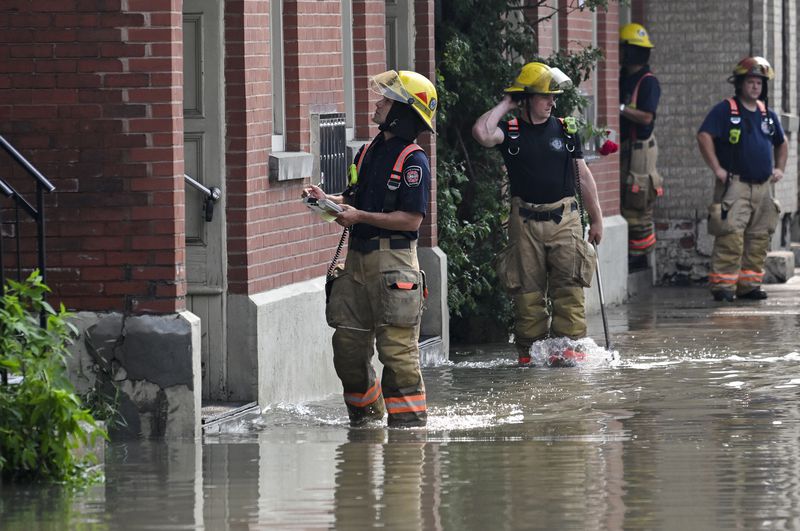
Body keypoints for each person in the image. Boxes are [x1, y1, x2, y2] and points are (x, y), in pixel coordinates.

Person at [302, 70, 436, 427]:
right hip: (356, 264)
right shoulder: (367, 152)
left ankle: (408, 437)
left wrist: (359, 215)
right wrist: (326, 202)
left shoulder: (414, 161)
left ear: (402, 112)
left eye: (387, 100)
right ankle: (366, 424)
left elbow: (411, 220)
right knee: (347, 350)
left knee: (397, 355)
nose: (377, 103)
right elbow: (354, 200)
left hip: (394, 266)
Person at [471, 61, 603, 364]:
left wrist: (596, 219)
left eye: (553, 97)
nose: (551, 102)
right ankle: (531, 358)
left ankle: (568, 357)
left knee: (569, 292)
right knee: (527, 299)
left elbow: (582, 175)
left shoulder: (565, 129)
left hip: (564, 219)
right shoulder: (511, 132)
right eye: (545, 97)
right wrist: (507, 102)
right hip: (525, 223)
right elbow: (481, 132)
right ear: (528, 98)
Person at [697, 56, 786, 302]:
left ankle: (749, 286)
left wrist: (779, 168)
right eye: (750, 81)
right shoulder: (726, 110)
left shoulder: (767, 114)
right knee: (730, 237)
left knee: (758, 239)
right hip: (735, 186)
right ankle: (723, 287)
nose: (755, 86)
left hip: (763, 187)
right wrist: (717, 168)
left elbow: (782, 143)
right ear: (740, 84)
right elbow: (704, 136)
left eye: (759, 82)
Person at [619, 22, 663, 271]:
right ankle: (633, 252)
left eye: (624, 49)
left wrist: (621, 109)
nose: (620, 54)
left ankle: (639, 257)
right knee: (626, 197)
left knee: (637, 200)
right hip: (625, 147)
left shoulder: (648, 82)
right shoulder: (624, 78)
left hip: (641, 149)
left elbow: (647, 117)